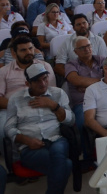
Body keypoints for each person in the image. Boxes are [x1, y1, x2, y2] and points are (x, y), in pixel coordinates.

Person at [5, 63, 74, 194]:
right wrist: (26, 140)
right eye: (37, 81)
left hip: (56, 139)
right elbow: (9, 127)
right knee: (66, 164)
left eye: (45, 78)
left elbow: (71, 121)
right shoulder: (15, 99)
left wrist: (53, 105)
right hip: (29, 147)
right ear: (27, 84)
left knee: (59, 154)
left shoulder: (58, 93)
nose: (43, 84)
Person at [0, 36, 56, 135]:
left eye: (30, 49)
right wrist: (20, 105)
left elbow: (53, 92)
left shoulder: (45, 67)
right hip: (12, 110)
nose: (28, 52)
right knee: (2, 131)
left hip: (41, 105)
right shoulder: (4, 71)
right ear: (14, 53)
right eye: (23, 50)